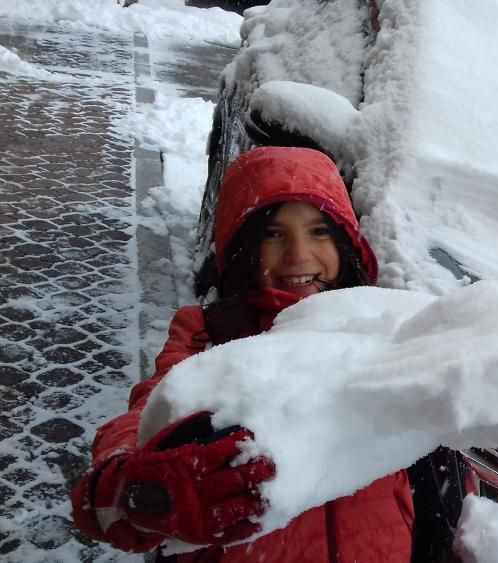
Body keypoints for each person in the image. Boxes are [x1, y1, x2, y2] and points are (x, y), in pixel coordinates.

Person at [70, 146, 414, 563]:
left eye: (320, 231)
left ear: (345, 242)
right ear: (243, 246)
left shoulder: (377, 323)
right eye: (273, 234)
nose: (299, 255)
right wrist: (123, 480)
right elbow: (149, 409)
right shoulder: (210, 331)